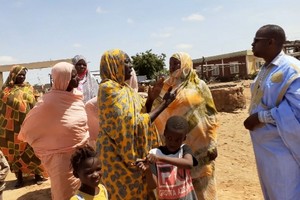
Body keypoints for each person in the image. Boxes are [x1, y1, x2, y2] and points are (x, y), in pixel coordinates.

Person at [97, 49, 175, 199]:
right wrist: (164, 104)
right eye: (126, 61)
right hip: (116, 156)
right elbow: (131, 123)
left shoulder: (125, 89)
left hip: (134, 155)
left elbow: (139, 114)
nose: (131, 66)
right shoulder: (108, 89)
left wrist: (151, 100)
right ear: (114, 65)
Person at [151, 52, 219, 200]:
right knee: (181, 187)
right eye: (170, 64)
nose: (173, 67)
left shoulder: (200, 85)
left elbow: (210, 115)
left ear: (186, 64)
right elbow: (155, 112)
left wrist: (213, 144)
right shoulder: (165, 87)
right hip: (174, 145)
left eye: (177, 63)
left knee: (203, 188)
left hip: (201, 145)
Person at [244, 24, 300, 199]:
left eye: (256, 40)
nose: (252, 44)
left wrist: (260, 117)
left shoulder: (290, 68)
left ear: (271, 42)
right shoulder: (265, 69)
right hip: (266, 150)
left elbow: (296, 110)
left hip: (284, 150)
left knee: (286, 192)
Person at [18, 62, 89, 200]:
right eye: (73, 76)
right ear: (64, 79)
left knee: (84, 192)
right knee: (65, 193)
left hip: (82, 155)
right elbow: (28, 126)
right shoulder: (48, 103)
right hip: (60, 160)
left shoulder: (76, 97)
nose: (78, 78)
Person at [0, 65, 45, 188]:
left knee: (32, 150)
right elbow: (2, 110)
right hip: (12, 129)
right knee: (16, 154)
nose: (22, 77)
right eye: (19, 74)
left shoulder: (29, 88)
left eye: (23, 75)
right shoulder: (6, 91)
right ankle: (19, 178)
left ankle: (37, 175)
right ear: (13, 75)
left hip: (30, 126)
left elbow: (36, 103)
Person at [137, 116, 198, 200]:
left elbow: (189, 164)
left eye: (177, 140)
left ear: (184, 138)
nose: (173, 142)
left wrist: (161, 159)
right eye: (169, 138)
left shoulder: (184, 149)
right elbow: (152, 185)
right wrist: (148, 170)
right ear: (165, 133)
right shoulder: (154, 153)